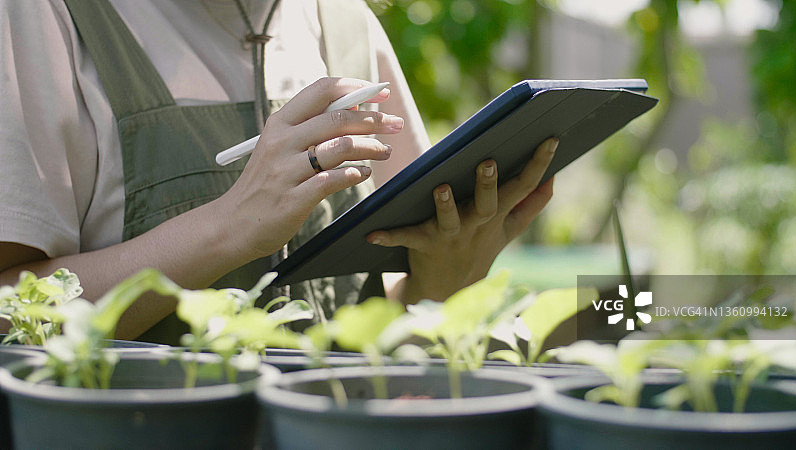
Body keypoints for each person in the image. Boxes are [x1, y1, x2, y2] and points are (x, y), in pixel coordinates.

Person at [0, 0, 556, 343]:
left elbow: (389, 321)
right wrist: (229, 227)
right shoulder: (45, 15)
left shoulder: (347, 26)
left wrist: (441, 281)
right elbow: (8, 315)